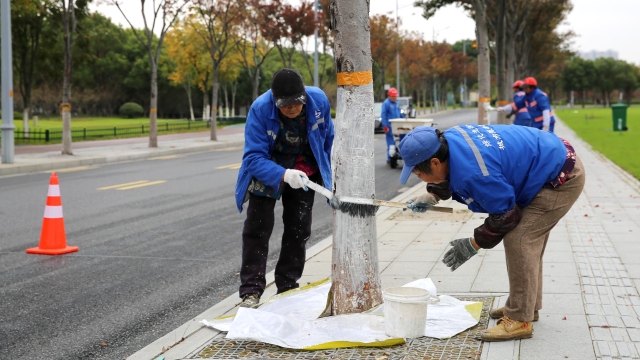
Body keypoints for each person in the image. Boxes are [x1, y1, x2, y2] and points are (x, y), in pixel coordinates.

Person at [399, 124, 585, 341]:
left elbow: (506, 216)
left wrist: (472, 244)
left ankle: (519, 320)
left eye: (418, 172)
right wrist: (434, 195)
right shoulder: (448, 142)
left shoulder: (477, 172)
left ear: (434, 162)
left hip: (562, 176)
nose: (418, 176)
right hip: (546, 160)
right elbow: (453, 172)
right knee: (527, 240)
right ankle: (526, 306)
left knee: (520, 239)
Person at [234, 68, 335, 308]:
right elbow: (253, 158)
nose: (291, 108)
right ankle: (251, 291)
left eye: (296, 103)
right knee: (257, 230)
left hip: (304, 169)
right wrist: (282, 174)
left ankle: (287, 286)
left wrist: (332, 175)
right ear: (274, 99)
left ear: (304, 96)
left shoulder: (318, 100)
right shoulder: (260, 109)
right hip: (268, 167)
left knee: (298, 229)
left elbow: (329, 139)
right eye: (285, 104)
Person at [380, 87, 404, 165]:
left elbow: (400, 114)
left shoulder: (397, 104)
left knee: (403, 141)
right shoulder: (386, 103)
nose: (394, 98)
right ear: (389, 96)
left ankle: (402, 155)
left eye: (395, 96)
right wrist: (385, 126)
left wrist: (404, 120)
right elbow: (383, 115)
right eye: (393, 96)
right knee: (391, 144)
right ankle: (390, 159)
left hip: (398, 126)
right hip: (389, 127)